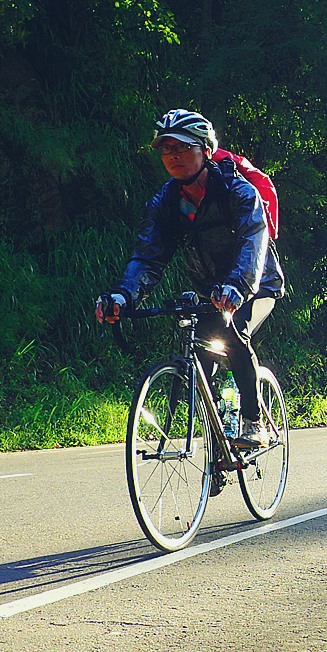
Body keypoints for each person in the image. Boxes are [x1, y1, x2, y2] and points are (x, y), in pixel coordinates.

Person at [95, 109, 285, 449]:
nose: (173, 156)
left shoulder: (237, 192)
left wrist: (238, 287)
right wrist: (123, 296)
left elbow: (253, 242)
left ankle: (254, 420)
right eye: (166, 149)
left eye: (182, 147)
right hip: (211, 291)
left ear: (205, 150)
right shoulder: (166, 202)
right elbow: (148, 256)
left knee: (232, 333)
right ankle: (218, 453)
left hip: (257, 286)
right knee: (203, 358)